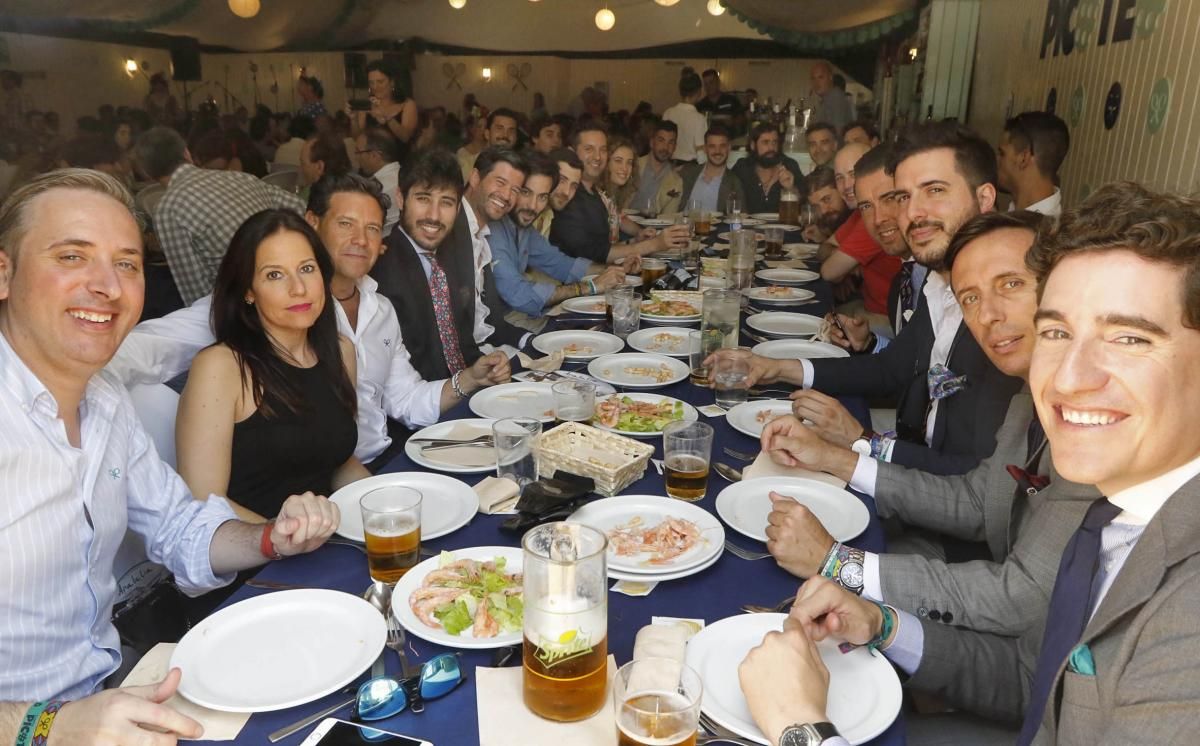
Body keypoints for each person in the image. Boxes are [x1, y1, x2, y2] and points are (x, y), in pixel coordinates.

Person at [740, 181, 1200, 745]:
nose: (1070, 377)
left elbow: (1019, 596)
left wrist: (802, 730)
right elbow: (1035, 677)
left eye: (1129, 338)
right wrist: (883, 625)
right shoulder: (1111, 496)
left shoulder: (1186, 611)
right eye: (1057, 331)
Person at [0, 169, 337, 737]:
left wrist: (269, 537)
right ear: (4, 273)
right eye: (72, 256)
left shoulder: (103, 400)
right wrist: (46, 727)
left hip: (119, 690)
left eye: (127, 263)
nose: (107, 285)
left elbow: (179, 527)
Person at [762, 211, 1098, 638]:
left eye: (1011, 284)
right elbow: (978, 500)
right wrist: (836, 457)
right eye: (970, 298)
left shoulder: (1095, 420)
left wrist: (838, 563)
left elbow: (1019, 598)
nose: (989, 314)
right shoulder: (1028, 394)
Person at [109, 173, 509, 472]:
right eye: (346, 224)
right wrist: (68, 381)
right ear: (312, 222)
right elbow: (150, 345)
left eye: (372, 228)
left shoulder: (379, 308)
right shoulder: (272, 304)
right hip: (315, 482)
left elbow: (405, 399)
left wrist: (469, 380)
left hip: (379, 462)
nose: (361, 240)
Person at [714, 121, 1023, 478]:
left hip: (932, 509)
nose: (912, 213)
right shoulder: (939, 285)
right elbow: (890, 368)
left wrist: (862, 441)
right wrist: (776, 367)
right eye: (905, 197)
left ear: (984, 198)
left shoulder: (1001, 314)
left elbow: (977, 489)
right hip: (908, 461)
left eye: (935, 190)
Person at [175, 210, 368, 522]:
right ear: (248, 290)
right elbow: (202, 504)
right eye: (274, 275)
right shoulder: (222, 368)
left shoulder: (340, 350)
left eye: (307, 269)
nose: (298, 289)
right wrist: (284, 539)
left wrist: (389, 505)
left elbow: (338, 464)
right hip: (260, 556)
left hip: (331, 538)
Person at [371, 148, 512, 381]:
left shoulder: (451, 254)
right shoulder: (381, 269)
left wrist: (487, 368)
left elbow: (462, 343)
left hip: (466, 390)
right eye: (423, 198)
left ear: (458, 209)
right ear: (400, 198)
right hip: (423, 406)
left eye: (446, 202)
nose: (434, 216)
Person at [134, 126, 305, 305]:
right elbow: (303, 210)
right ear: (187, 153)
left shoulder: (168, 209)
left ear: (148, 173)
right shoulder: (240, 178)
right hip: (294, 282)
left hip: (244, 306)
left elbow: (195, 292)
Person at [490, 150, 627, 322]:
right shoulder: (494, 228)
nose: (532, 206)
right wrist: (590, 286)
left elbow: (562, 264)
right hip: (500, 327)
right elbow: (519, 295)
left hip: (519, 318)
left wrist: (616, 271)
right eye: (526, 193)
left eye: (542, 197)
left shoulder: (523, 228)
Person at [551, 122, 688, 266]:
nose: (597, 157)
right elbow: (594, 253)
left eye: (602, 150)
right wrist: (655, 244)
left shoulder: (594, 193)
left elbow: (605, 245)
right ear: (572, 152)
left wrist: (636, 241)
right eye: (589, 149)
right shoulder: (568, 196)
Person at [826, 145, 919, 352]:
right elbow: (906, 362)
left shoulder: (942, 277)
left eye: (889, 199)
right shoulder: (903, 280)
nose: (878, 219)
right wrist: (869, 344)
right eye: (866, 206)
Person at [818, 143, 902, 329]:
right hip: (868, 305)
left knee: (820, 326)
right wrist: (849, 264)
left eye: (853, 174)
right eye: (840, 178)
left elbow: (829, 272)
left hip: (890, 319)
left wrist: (846, 265)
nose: (847, 185)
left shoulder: (874, 217)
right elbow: (824, 248)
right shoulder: (862, 211)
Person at [996, 110, 1069, 215]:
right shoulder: (1016, 213)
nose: (996, 160)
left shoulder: (1047, 229)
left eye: (1002, 154)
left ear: (1023, 158)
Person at [731, 122, 803, 214]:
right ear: (753, 145)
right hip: (749, 226)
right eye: (765, 142)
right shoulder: (743, 167)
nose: (771, 148)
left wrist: (790, 189)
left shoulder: (790, 165)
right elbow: (728, 199)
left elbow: (803, 205)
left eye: (774, 142)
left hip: (782, 226)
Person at [678, 124, 746, 215]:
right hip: (683, 227)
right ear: (705, 149)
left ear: (729, 148)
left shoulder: (735, 183)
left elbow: (741, 217)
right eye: (712, 146)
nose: (717, 151)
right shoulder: (687, 173)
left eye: (722, 146)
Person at [348, 58, 417, 145]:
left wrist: (386, 116)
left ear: (392, 82)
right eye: (371, 83)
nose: (375, 87)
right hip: (374, 156)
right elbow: (357, 139)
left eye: (380, 82)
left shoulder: (407, 104)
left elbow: (405, 137)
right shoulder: (368, 105)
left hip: (400, 157)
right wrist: (353, 120)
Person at [630, 120, 683, 216]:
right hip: (623, 224)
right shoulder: (633, 165)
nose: (665, 147)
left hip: (653, 228)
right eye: (661, 140)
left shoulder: (676, 182)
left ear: (675, 147)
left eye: (671, 142)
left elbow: (669, 217)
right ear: (651, 143)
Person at [355, 127, 402, 236]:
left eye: (358, 152)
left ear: (374, 155)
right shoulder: (403, 174)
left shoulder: (377, 187)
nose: (356, 158)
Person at [662, 72, 707, 164]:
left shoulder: (668, 113)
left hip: (669, 165)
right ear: (699, 92)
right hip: (690, 167)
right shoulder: (699, 118)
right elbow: (701, 152)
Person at [808, 61, 854, 134]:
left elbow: (838, 132)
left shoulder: (836, 97)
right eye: (813, 78)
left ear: (830, 77)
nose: (816, 83)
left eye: (821, 77)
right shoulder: (828, 98)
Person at [456, 114, 487, 182]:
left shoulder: (490, 151)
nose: (483, 130)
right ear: (472, 129)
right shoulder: (462, 153)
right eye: (479, 126)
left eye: (486, 127)